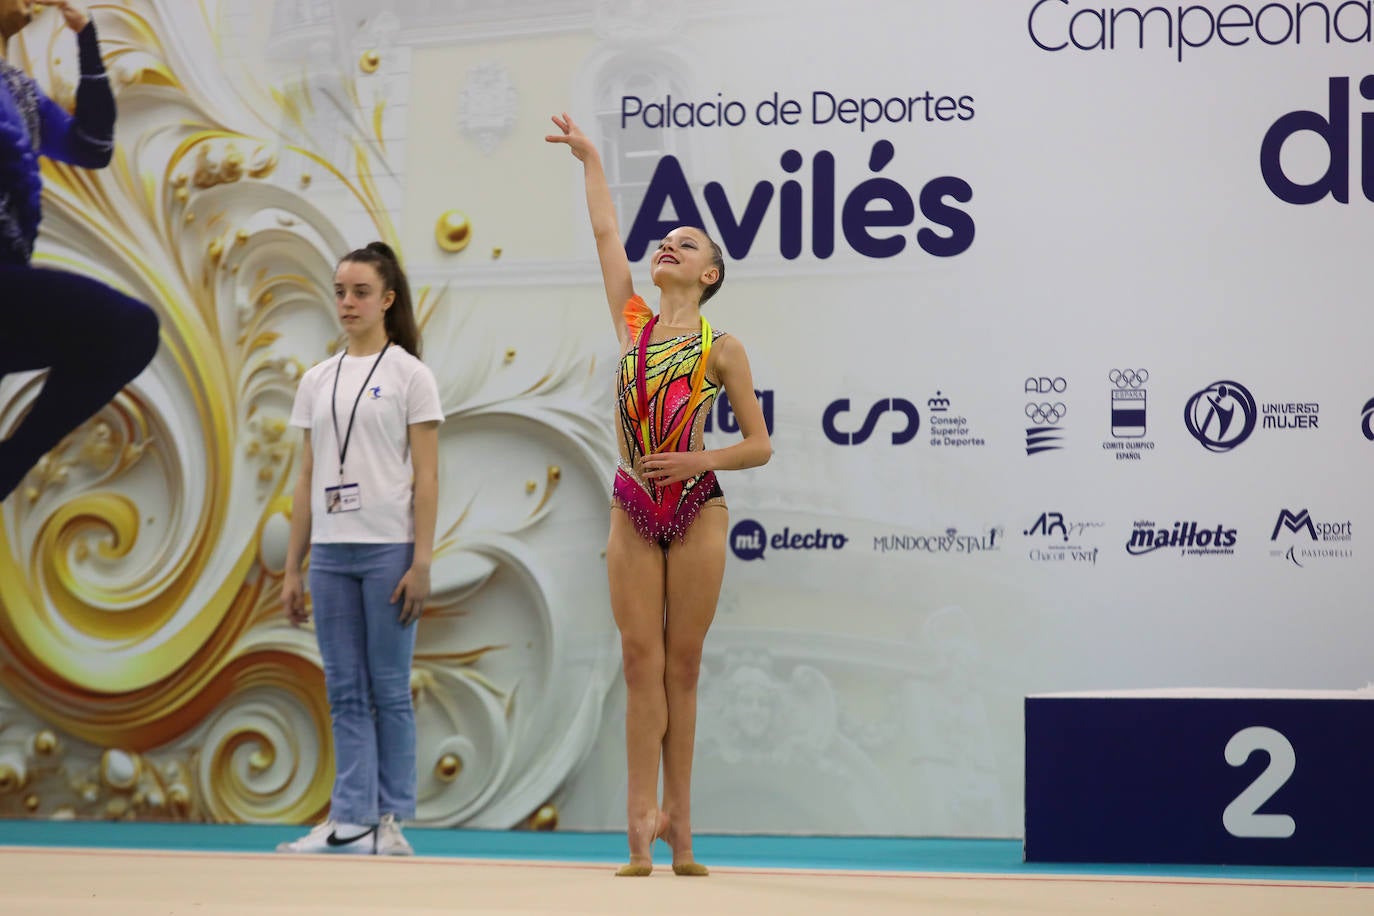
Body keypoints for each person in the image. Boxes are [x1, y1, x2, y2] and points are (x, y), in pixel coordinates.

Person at [546, 113, 772, 876]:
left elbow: (760, 443)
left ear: (709, 274)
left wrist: (697, 458)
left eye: (688, 243)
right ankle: (640, 822)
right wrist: (589, 159)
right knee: (639, 662)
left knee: (684, 666)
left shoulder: (723, 347)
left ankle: (684, 824)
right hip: (632, 504)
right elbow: (608, 234)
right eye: (666, 240)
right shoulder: (632, 321)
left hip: (698, 501)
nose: (668, 245)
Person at [277, 242, 442, 856]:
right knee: (344, 688)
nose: (347, 303)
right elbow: (305, 477)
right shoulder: (317, 378)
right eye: (341, 291)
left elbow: (427, 475)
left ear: (387, 300)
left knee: (389, 689)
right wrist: (294, 567)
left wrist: (421, 561)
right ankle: (350, 820)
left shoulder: (410, 376)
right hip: (331, 552)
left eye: (361, 292)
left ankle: (391, 823)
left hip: (388, 550)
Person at [0, 0, 159, 502]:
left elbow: (93, 145)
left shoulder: (18, 91)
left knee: (129, 328)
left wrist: (86, 41)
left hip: (9, 284)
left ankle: (8, 464)